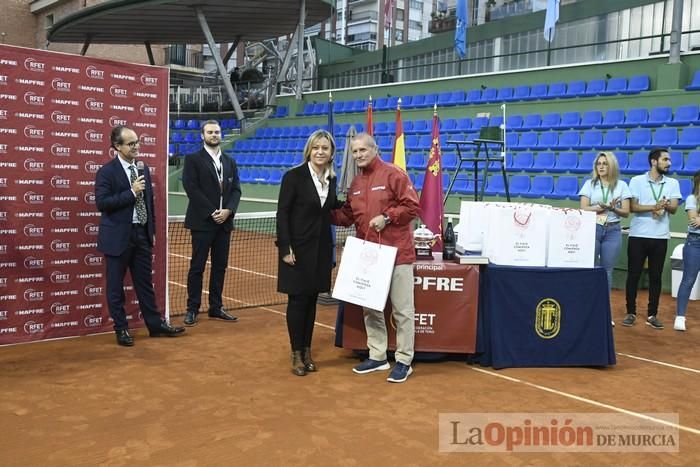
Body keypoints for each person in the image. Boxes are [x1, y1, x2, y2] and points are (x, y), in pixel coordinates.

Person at [331, 133, 420, 383]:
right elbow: (346, 216)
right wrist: (318, 210)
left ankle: (404, 360)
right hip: (368, 256)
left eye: (363, 150)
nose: (358, 155)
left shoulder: (394, 174)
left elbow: (413, 206)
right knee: (370, 308)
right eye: (355, 151)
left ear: (375, 149)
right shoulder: (356, 183)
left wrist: (388, 217)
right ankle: (378, 355)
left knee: (403, 311)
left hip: (398, 253)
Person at [95, 126, 185, 346]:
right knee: (115, 287)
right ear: (117, 146)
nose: (136, 147)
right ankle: (121, 329)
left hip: (141, 235)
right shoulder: (106, 172)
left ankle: (155, 325)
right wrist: (131, 192)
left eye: (137, 142)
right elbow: (103, 204)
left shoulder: (142, 169)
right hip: (117, 238)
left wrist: (150, 231)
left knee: (145, 284)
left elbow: (149, 203)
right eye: (131, 143)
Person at [276, 130, 341, 376]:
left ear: (331, 152)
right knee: (297, 300)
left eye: (325, 148)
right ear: (309, 151)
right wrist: (285, 247)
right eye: (316, 148)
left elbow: (333, 207)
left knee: (312, 300)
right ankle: (295, 354)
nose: (320, 152)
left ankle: (307, 350)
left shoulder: (332, 179)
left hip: (321, 250)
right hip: (297, 249)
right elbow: (282, 213)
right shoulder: (293, 177)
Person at [182, 120, 242, 326]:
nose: (214, 135)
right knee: (197, 267)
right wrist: (212, 212)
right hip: (202, 223)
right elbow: (191, 188)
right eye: (210, 132)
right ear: (202, 136)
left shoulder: (230, 161)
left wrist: (228, 211)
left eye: (217, 132)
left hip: (224, 224)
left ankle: (216, 307)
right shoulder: (192, 159)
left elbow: (236, 190)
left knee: (220, 267)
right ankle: (192, 309)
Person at [623, 148, 682, 330]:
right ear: (654, 162)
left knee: (656, 277)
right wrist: (653, 207)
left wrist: (665, 205)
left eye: (669, 160)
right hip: (638, 235)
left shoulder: (672, 183)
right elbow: (632, 207)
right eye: (665, 159)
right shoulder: (637, 181)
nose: (669, 163)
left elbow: (674, 208)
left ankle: (652, 315)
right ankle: (631, 312)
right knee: (633, 275)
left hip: (660, 237)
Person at [579, 151, 631, 325]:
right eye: (598, 164)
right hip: (593, 227)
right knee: (591, 268)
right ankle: (587, 308)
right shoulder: (589, 184)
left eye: (604, 163)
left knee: (607, 271)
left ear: (612, 166)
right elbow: (583, 208)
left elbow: (626, 211)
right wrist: (599, 208)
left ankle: (605, 312)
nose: (601, 166)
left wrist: (612, 209)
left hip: (613, 230)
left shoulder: (622, 185)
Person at [674, 170, 700, 331]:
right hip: (694, 243)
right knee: (688, 280)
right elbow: (693, 221)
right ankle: (680, 317)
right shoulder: (691, 199)